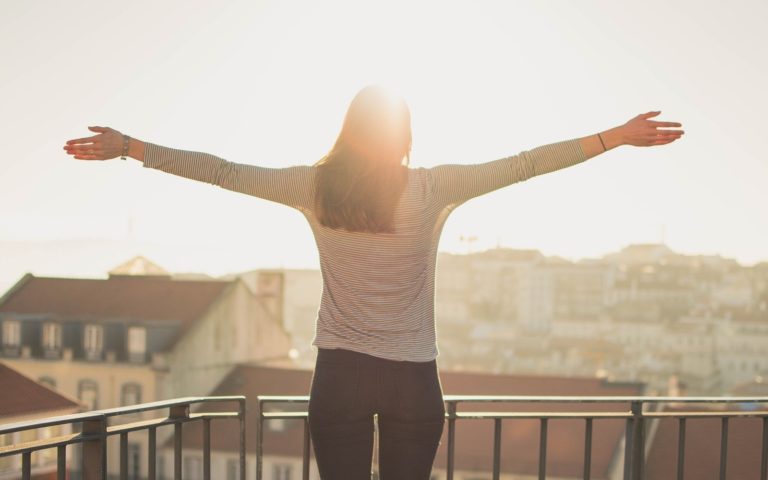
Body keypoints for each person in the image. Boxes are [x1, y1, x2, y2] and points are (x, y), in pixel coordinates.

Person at [64, 85, 683, 479]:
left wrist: (131, 147)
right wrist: (613, 139)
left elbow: (225, 172)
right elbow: (521, 166)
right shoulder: (432, 187)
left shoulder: (313, 186)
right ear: (405, 136)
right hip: (414, 377)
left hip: (339, 375)